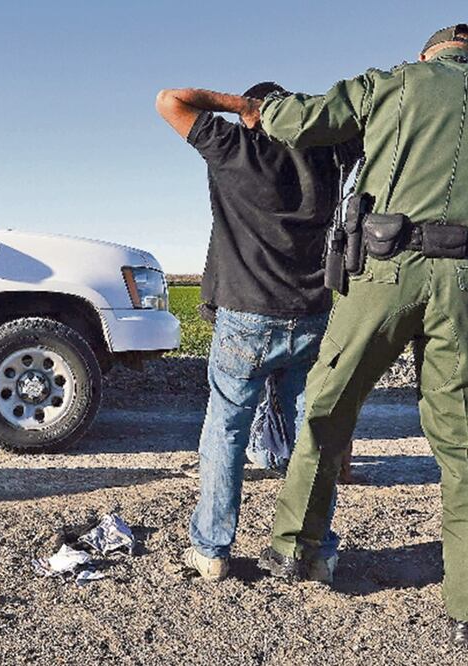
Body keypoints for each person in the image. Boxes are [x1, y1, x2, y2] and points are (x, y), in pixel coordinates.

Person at [247, 25, 468, 650]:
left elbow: (297, 121)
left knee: (328, 406)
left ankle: (294, 549)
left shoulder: (391, 83)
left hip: (384, 271)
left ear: (426, 56)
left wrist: (259, 109)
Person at [155, 84, 360, 583]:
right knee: (312, 433)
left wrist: (243, 109)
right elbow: (365, 126)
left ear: (254, 116)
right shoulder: (330, 157)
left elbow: (170, 100)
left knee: (225, 429)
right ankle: (314, 551)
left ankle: (212, 549)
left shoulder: (234, 148)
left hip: (245, 314)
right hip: (312, 313)